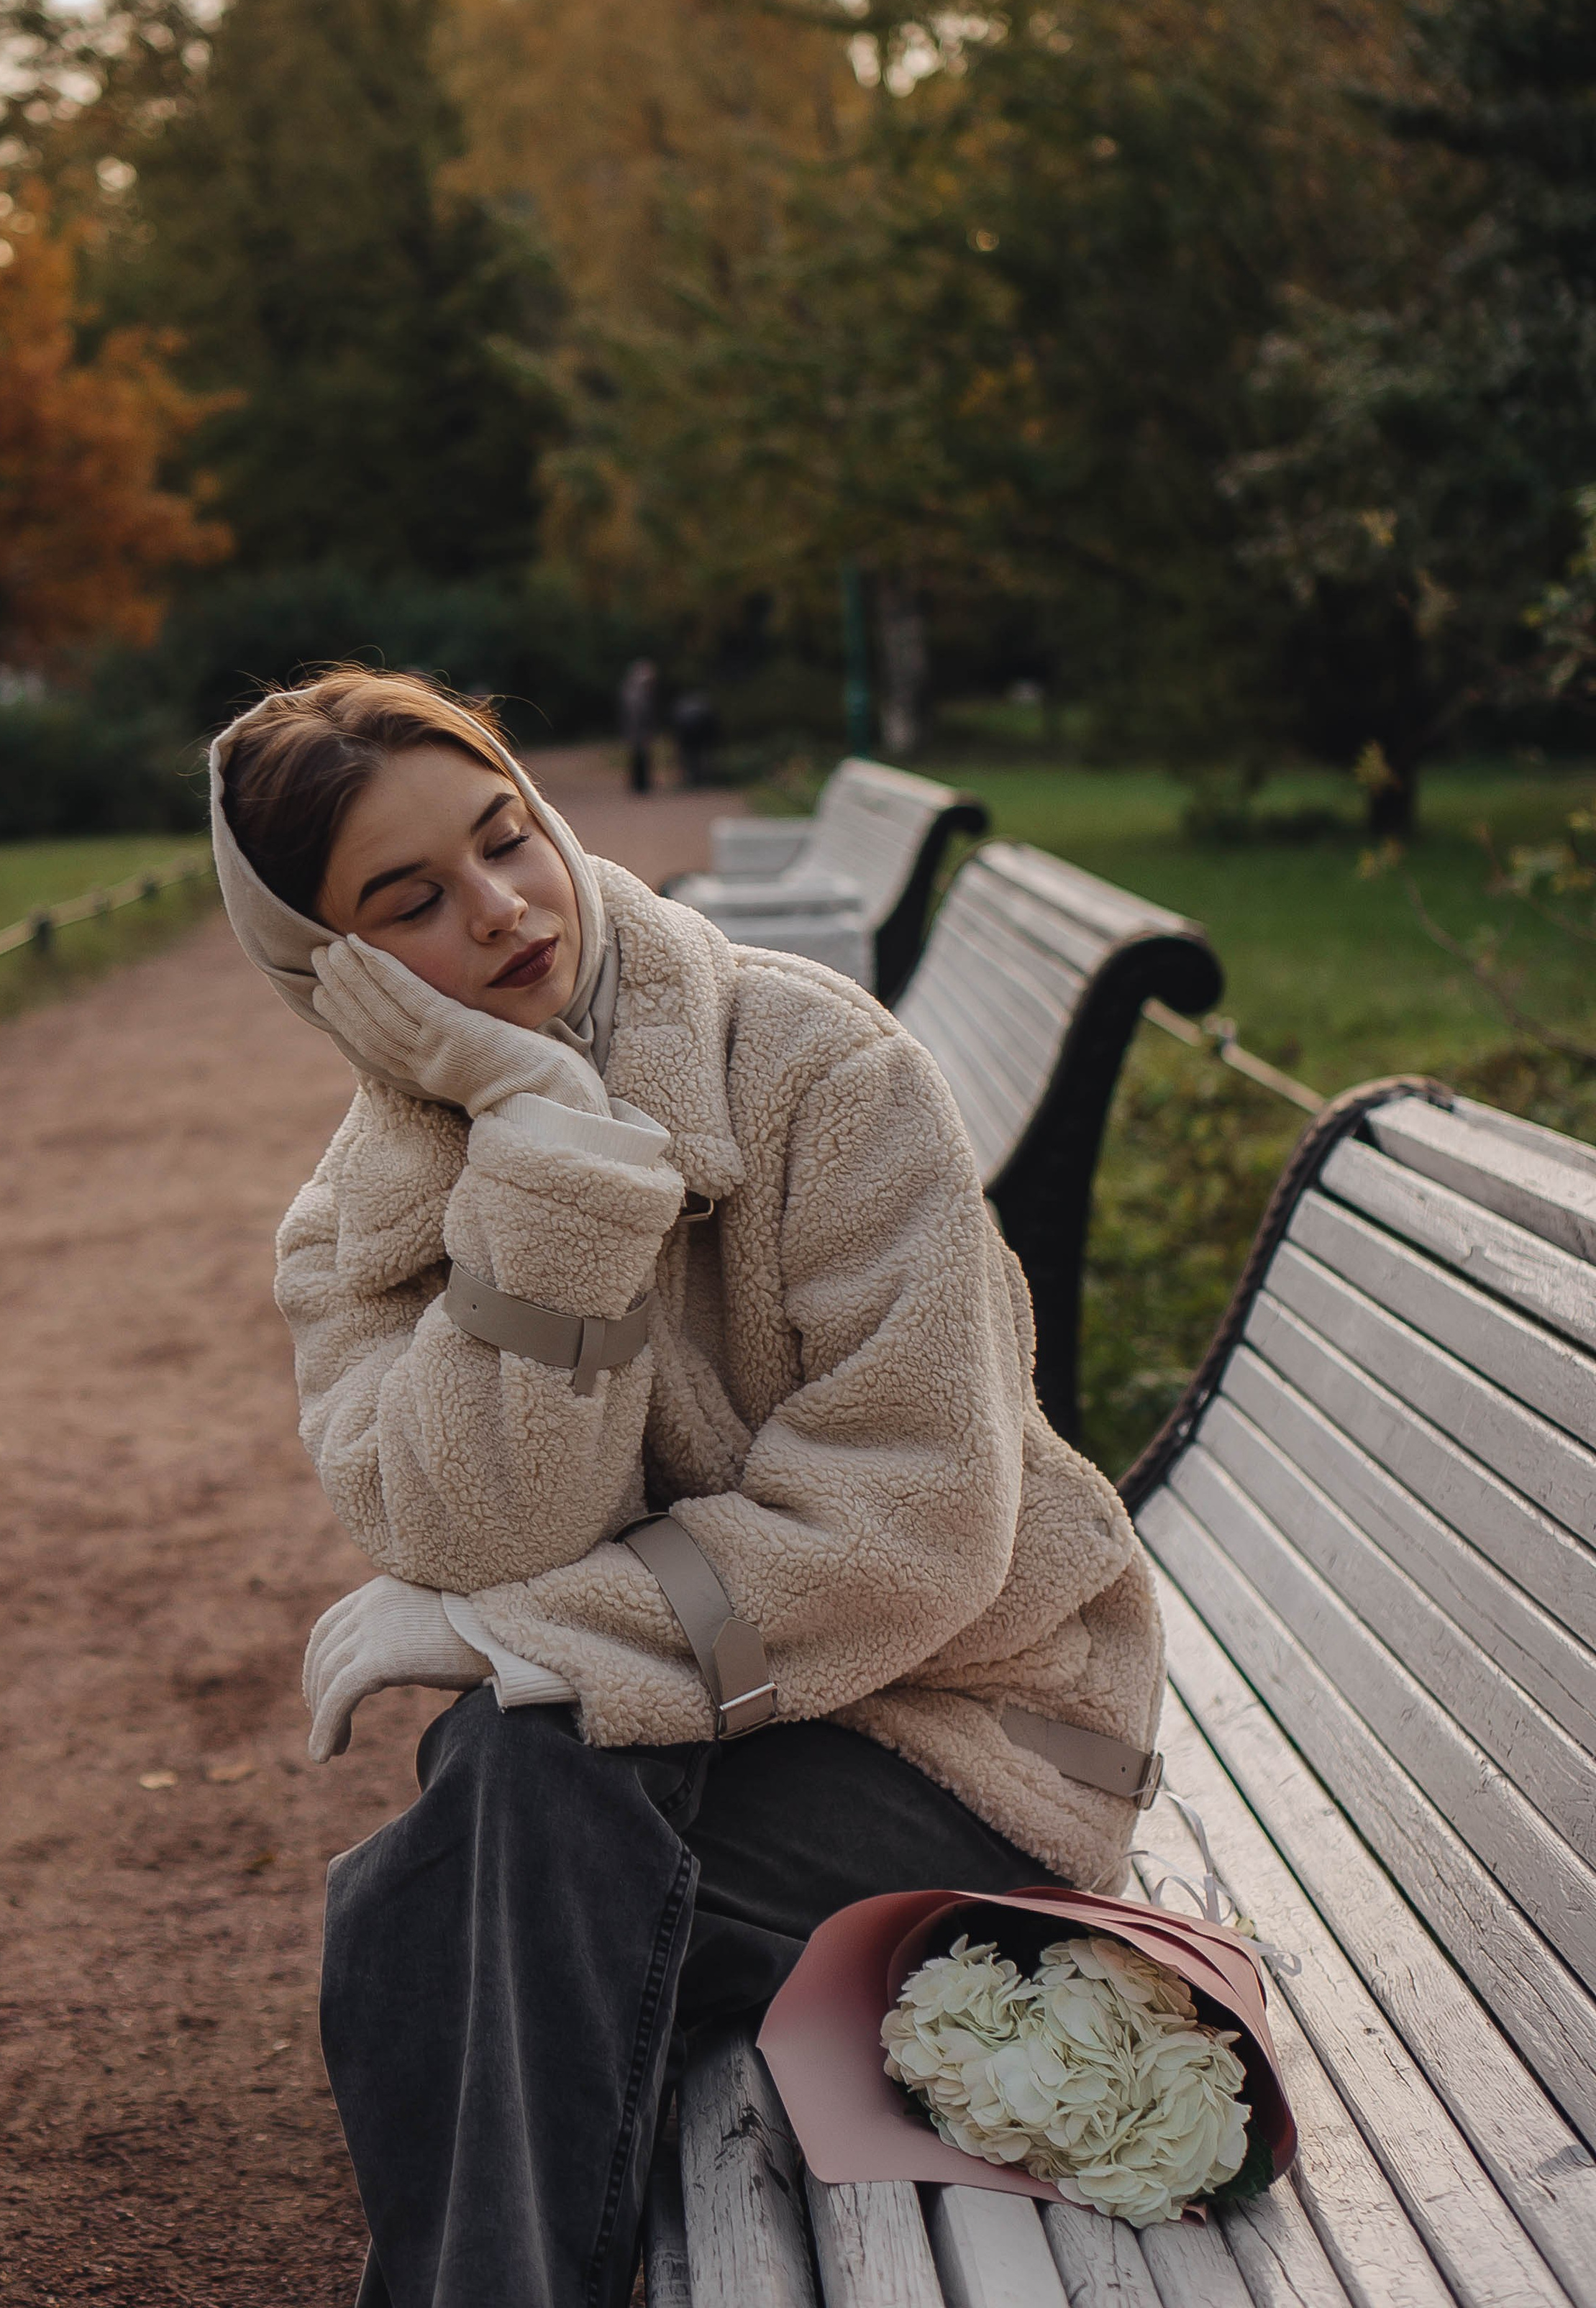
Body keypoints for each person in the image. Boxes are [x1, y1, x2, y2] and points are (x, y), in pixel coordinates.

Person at [209, 667, 1164, 2308]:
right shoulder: (358, 1227)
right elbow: (486, 1525)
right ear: (330, 976)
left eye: (505, 835)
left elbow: (910, 1532)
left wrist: (521, 1636)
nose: (502, 908)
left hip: (976, 1736)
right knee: (492, 1831)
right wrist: (547, 1147)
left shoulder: (819, 1069)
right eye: (411, 902)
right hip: (693, 1756)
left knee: (483, 1848)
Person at [617, 657, 657, 794]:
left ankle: (642, 784)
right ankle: (640, 785)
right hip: (637, 730)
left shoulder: (633, 690)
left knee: (641, 757)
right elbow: (636, 713)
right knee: (639, 757)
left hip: (637, 729)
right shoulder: (635, 692)